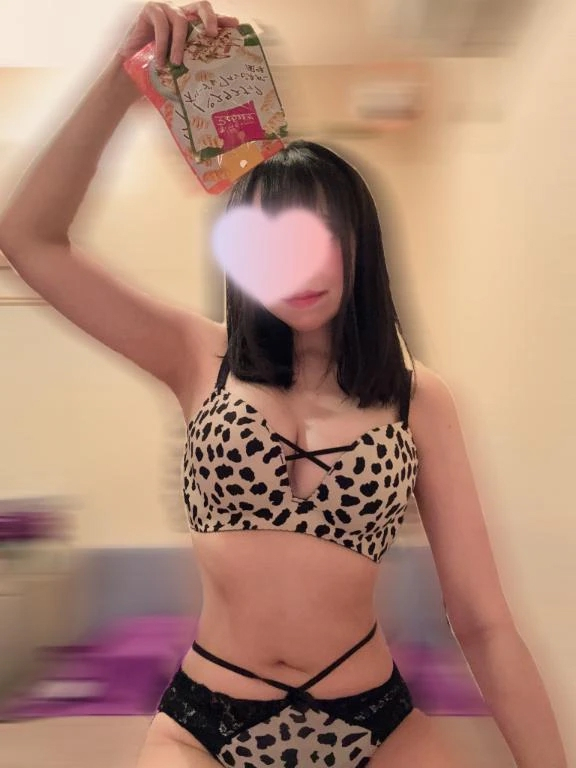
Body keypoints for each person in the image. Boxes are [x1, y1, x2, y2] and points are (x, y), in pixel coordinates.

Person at [0, 3, 567, 768]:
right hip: (205, 723)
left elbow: (483, 621)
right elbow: (30, 239)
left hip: (376, 722)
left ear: (360, 248)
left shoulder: (418, 397)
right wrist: (119, 83)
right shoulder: (193, 355)